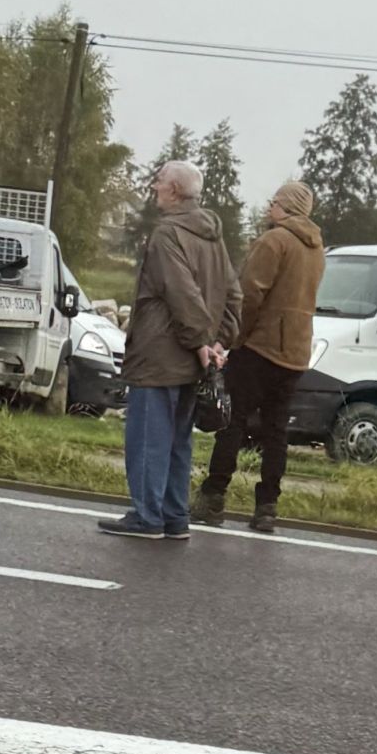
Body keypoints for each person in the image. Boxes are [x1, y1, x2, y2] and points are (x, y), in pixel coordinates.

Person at [100, 160, 239, 539]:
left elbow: (181, 294)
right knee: (179, 442)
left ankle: (147, 517)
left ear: (174, 190)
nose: (154, 186)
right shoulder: (213, 237)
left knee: (149, 440)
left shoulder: (166, 235)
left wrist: (200, 346)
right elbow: (232, 294)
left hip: (161, 354)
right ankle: (175, 516)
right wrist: (218, 343)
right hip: (194, 361)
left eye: (159, 181)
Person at [192, 181, 326, 534]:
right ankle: (267, 506)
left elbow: (249, 295)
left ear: (287, 208)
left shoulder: (274, 241)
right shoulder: (316, 247)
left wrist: (233, 337)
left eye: (274, 202)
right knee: (276, 430)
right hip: (296, 351)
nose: (270, 208)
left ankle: (213, 496)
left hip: (260, 347)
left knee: (233, 421)